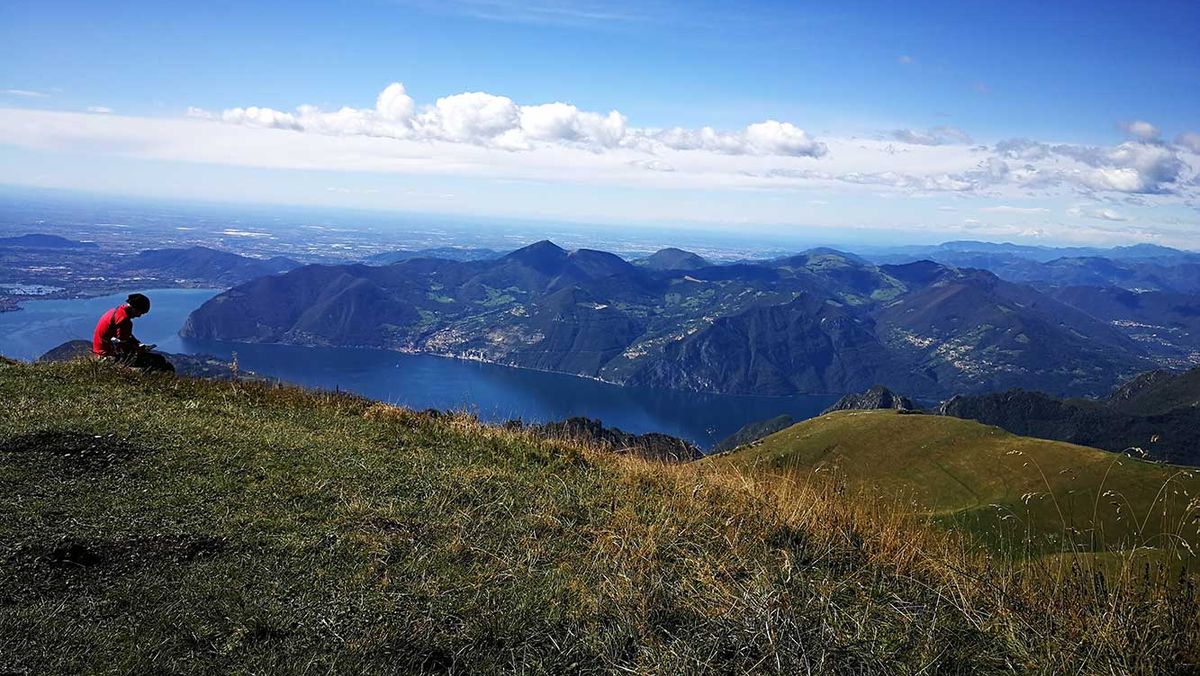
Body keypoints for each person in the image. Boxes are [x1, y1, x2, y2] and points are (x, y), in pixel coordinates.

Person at [91, 293, 175, 373]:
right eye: (141, 313)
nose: (139, 316)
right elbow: (123, 345)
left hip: (99, 350)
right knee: (160, 362)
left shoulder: (116, 311)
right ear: (134, 308)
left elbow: (124, 337)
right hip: (107, 355)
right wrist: (138, 349)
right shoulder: (124, 320)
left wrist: (136, 343)